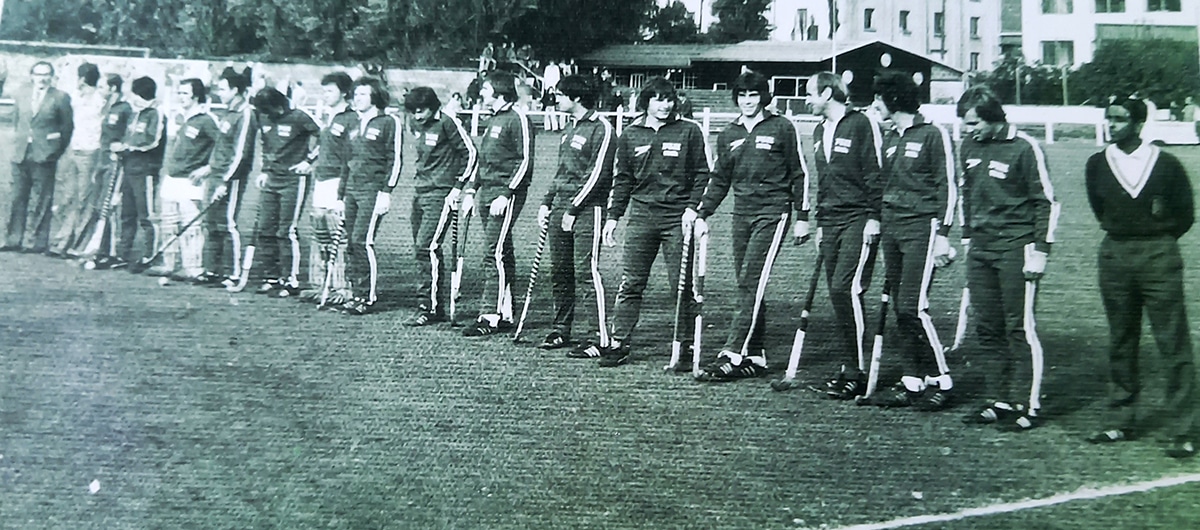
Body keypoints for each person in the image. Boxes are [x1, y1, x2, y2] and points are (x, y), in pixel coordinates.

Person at [1084, 97, 1196, 458]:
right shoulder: (1097, 163)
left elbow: (1185, 214)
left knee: (1172, 342)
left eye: (1118, 119)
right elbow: (1100, 207)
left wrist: (1157, 238)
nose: (1111, 124)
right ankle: (1120, 418)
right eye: (1108, 118)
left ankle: (1184, 429)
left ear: (1138, 123)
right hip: (1115, 253)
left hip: (1158, 254)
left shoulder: (1165, 163)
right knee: (1121, 339)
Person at [692, 70, 810, 381]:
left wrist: (803, 216)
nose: (747, 101)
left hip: (773, 213)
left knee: (750, 281)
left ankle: (732, 353)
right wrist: (703, 211)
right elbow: (719, 179)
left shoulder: (783, 126)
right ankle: (756, 357)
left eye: (753, 95)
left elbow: (800, 173)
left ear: (763, 96)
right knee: (749, 284)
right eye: (742, 95)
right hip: (741, 214)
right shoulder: (729, 133)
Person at [956, 86, 1058, 431]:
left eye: (973, 123)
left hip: (1017, 247)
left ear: (993, 118)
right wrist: (968, 235)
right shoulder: (968, 146)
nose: (968, 130)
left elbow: (1046, 202)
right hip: (981, 248)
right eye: (966, 124)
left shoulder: (1025, 148)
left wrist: (1041, 251)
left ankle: (1028, 405)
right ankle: (998, 399)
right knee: (987, 326)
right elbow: (966, 193)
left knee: (1019, 328)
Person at [859, 70, 958, 409]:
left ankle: (942, 379)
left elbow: (948, 186)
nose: (875, 104)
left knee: (912, 306)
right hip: (892, 228)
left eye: (878, 98)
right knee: (900, 308)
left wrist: (943, 234)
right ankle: (912, 381)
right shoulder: (889, 138)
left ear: (895, 99)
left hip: (922, 229)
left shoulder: (933, 135)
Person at [600, 76, 710, 367]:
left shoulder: (689, 131)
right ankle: (619, 342)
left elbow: (702, 174)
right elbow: (622, 179)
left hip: (677, 220)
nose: (665, 105)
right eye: (658, 99)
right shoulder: (631, 134)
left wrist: (692, 209)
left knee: (681, 285)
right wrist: (613, 216)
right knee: (631, 283)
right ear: (646, 101)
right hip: (641, 218)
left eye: (669, 99)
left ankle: (684, 345)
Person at [805, 71, 884, 399]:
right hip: (832, 220)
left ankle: (858, 371)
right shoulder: (818, 130)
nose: (806, 99)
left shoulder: (861, 124)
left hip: (859, 218)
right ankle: (848, 367)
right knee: (839, 295)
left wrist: (874, 217)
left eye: (810, 93)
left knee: (845, 289)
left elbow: (875, 172)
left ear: (826, 93)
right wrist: (820, 223)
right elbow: (823, 181)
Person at [536, 74, 615, 357]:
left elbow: (598, 174)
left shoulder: (602, 128)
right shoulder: (568, 130)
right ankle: (561, 329)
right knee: (560, 272)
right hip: (561, 207)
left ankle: (599, 337)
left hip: (587, 210)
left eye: (559, 94)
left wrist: (573, 208)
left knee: (586, 272)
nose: (555, 98)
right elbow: (561, 172)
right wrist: (547, 202)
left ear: (577, 97)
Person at [461, 71, 534, 336]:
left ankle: (489, 316)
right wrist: (471, 190)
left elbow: (525, 161)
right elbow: (484, 160)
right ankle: (505, 312)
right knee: (502, 251)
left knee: (493, 252)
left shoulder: (518, 119)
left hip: (505, 195)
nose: (481, 92)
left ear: (500, 91)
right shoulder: (494, 119)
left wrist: (506, 193)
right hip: (487, 192)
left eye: (486, 88)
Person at [404, 86, 477, 325]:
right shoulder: (416, 124)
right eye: (413, 112)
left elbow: (471, 154)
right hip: (420, 192)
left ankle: (431, 308)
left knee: (427, 246)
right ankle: (429, 303)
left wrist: (458, 187)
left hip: (441, 194)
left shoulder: (448, 122)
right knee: (422, 250)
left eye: (421, 111)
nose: (417, 116)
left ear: (433, 106)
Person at [335, 77, 404, 316]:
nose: (357, 97)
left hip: (372, 190)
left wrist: (386, 191)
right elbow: (346, 162)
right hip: (352, 190)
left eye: (363, 94)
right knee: (352, 243)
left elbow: (395, 159)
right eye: (356, 94)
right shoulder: (353, 124)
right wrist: (340, 195)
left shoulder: (389, 122)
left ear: (375, 96)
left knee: (362, 241)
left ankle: (367, 296)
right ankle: (355, 293)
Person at [242, 87, 320, 296]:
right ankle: (271, 276)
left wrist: (309, 161)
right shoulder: (263, 116)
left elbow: (325, 136)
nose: (267, 114)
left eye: (270, 109)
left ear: (279, 104)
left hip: (294, 179)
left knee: (286, 230)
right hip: (271, 178)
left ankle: (290, 280)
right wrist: (264, 170)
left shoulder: (299, 116)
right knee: (265, 228)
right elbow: (265, 144)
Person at [144, 78, 219, 281]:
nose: (181, 97)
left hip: (191, 180)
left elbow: (223, 146)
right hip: (172, 177)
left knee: (191, 227)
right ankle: (169, 264)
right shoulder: (181, 117)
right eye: (179, 93)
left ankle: (193, 268)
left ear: (196, 96)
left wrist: (208, 168)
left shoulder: (206, 119)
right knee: (169, 224)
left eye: (185, 93)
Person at [297, 71, 357, 303]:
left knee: (337, 234)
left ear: (343, 92)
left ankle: (342, 288)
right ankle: (319, 284)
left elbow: (351, 154)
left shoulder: (351, 118)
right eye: (324, 90)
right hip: (321, 178)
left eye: (330, 90)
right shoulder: (330, 116)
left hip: (337, 180)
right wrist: (309, 162)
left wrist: (344, 184)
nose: (325, 95)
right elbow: (322, 146)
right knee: (319, 231)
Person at [3, 61, 74, 254]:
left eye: (46, 74)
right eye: (38, 74)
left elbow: (67, 128)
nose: (42, 78)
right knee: (18, 197)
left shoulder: (60, 98)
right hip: (21, 153)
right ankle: (14, 239)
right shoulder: (21, 94)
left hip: (44, 155)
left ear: (51, 77)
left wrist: (55, 151)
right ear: (32, 75)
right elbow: (17, 121)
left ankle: (37, 241)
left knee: (42, 199)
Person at [195, 67, 257, 287]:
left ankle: (233, 273)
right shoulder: (227, 113)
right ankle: (211, 270)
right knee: (210, 221)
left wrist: (225, 181)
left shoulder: (245, 113)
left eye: (223, 89)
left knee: (227, 223)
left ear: (236, 90)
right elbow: (220, 147)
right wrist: (210, 169)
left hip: (231, 178)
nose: (219, 93)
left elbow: (240, 154)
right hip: (216, 176)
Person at [48, 62, 104, 258]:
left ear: (82, 78)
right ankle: (62, 240)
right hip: (74, 149)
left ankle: (77, 243)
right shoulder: (75, 98)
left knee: (84, 200)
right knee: (68, 196)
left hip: (90, 152)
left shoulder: (101, 100)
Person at [114, 76, 166, 271]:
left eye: (132, 92)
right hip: (128, 169)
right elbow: (129, 136)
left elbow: (154, 141)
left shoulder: (156, 113)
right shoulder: (136, 114)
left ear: (139, 93)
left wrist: (129, 147)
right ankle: (123, 254)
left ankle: (150, 256)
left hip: (145, 172)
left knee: (147, 216)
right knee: (126, 214)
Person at [85, 73, 134, 269]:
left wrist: (120, 149)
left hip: (115, 163)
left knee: (109, 206)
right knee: (99, 205)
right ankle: (101, 247)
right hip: (102, 160)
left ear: (113, 88)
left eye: (102, 87)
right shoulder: (108, 107)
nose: (100, 91)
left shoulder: (125, 109)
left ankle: (112, 251)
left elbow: (129, 135)